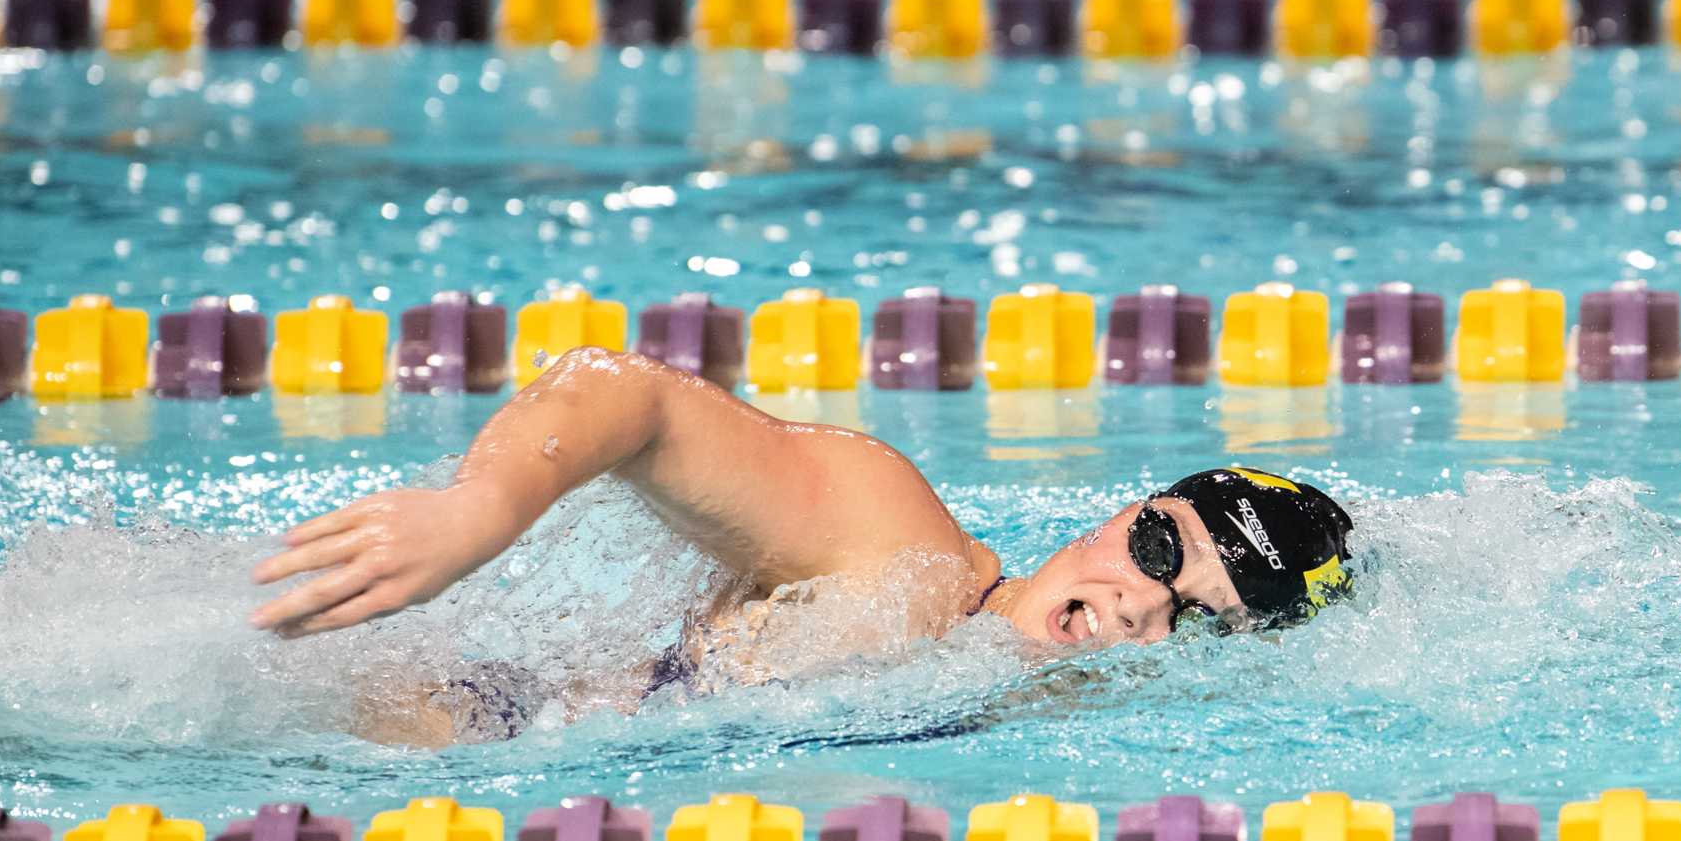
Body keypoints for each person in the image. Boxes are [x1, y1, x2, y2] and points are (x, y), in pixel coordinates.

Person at [251, 347, 1355, 742]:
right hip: (410, 731)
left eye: (1197, 619)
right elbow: (630, 397)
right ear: (1122, 513)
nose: (1137, 606)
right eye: (1160, 551)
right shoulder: (899, 552)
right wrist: (476, 512)